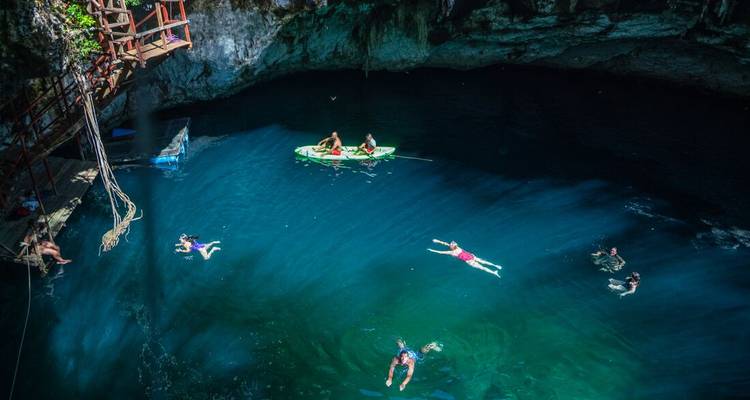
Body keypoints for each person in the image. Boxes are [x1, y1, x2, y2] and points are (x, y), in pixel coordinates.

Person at [427, 239, 502, 278]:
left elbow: (440, 252)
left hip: (469, 261)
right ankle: (496, 266)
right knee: (484, 262)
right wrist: (437, 241)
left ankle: (494, 273)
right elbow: (446, 244)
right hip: (472, 256)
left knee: (482, 267)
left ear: (452, 247)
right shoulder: (458, 248)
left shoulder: (452, 252)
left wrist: (432, 250)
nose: (450, 245)